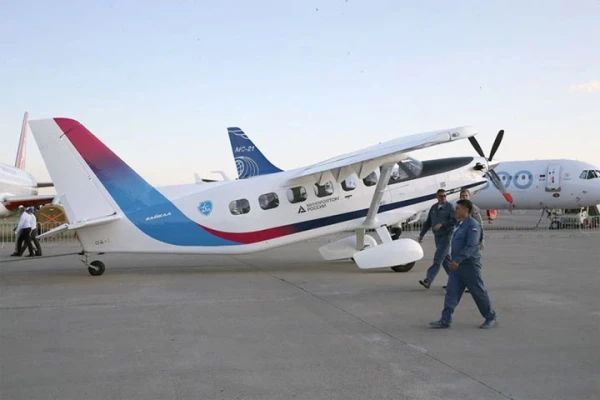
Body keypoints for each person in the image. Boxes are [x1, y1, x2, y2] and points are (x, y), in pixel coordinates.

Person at [429, 199, 498, 329]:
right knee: (451, 293)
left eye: (458, 208)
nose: (455, 210)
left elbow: (471, 246)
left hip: (469, 265)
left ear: (466, 210)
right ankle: (445, 319)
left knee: (478, 292)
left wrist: (458, 260)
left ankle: (490, 317)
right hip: (457, 266)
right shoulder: (460, 224)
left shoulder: (472, 225)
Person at [418, 189, 456, 289]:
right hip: (437, 236)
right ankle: (456, 280)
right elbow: (428, 222)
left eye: (444, 196)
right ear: (437, 197)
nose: (443, 198)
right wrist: (422, 234)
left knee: (438, 259)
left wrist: (442, 224)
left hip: (446, 236)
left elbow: (454, 220)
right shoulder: (434, 207)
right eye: (441, 196)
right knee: (446, 261)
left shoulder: (450, 207)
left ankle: (428, 280)